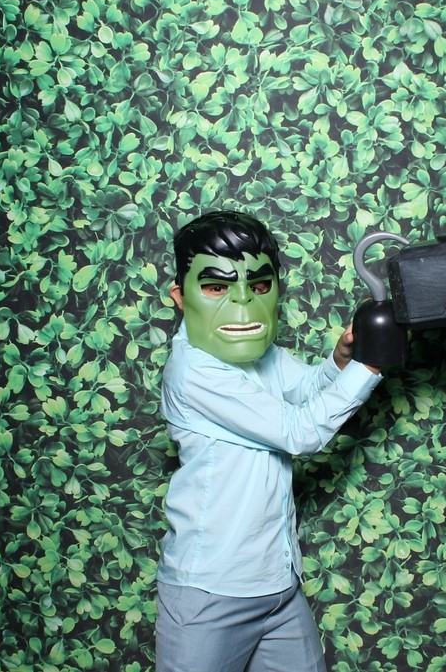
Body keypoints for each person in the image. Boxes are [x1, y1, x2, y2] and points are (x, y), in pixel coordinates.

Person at [155, 210, 382, 672]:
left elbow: (303, 392)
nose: (241, 302)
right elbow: (299, 431)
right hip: (211, 590)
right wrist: (371, 365)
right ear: (180, 296)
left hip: (278, 583)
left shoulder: (257, 353)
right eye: (215, 287)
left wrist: (342, 360)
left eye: (258, 285)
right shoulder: (194, 371)